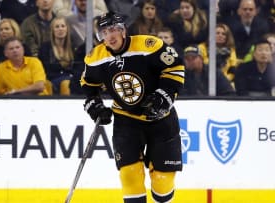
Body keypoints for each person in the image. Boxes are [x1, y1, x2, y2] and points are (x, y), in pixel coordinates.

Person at [81, 12, 184, 203]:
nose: (109, 36)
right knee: (130, 174)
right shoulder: (95, 59)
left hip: (161, 119)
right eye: (104, 32)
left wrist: (164, 96)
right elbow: (88, 87)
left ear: (122, 30)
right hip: (126, 121)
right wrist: (95, 106)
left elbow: (174, 67)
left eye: (112, 30)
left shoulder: (149, 46)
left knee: (162, 182)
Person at [0, 18, 32, 93]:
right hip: (3, 84)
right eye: (1, 30)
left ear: (14, 31)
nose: (3, 31)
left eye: (6, 29)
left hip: (24, 82)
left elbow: (29, 67)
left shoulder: (24, 48)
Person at [38, 16, 74, 95]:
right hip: (51, 79)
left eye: (63, 26)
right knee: (46, 84)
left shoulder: (73, 46)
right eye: (57, 27)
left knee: (66, 83)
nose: (60, 29)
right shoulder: (45, 47)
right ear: (52, 30)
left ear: (67, 29)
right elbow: (43, 68)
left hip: (69, 79)